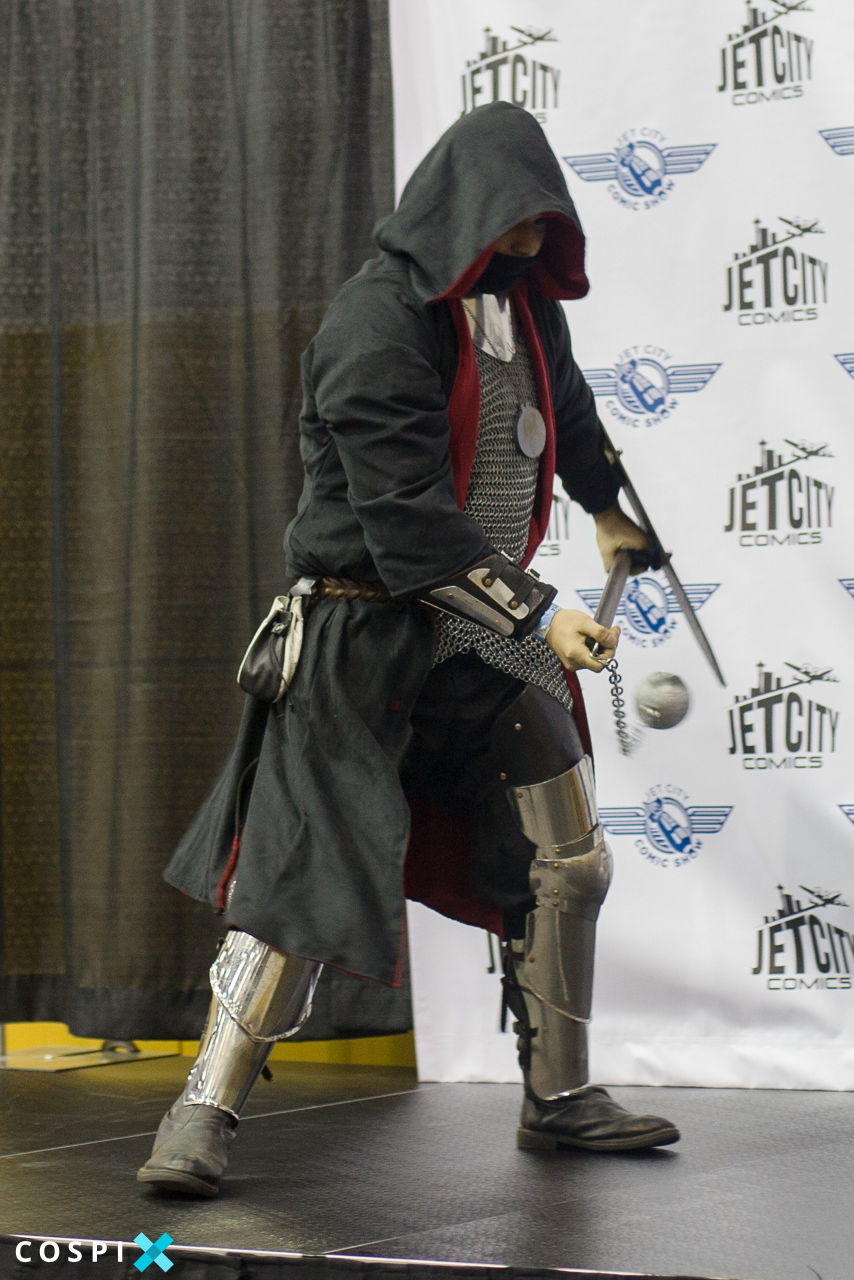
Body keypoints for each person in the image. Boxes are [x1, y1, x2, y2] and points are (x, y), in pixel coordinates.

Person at [138, 102, 679, 1199]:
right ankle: (201, 1109)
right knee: (300, 883)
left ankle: (558, 1093)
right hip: (359, 634)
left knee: (568, 857)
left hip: (479, 638)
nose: (532, 238)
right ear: (463, 207)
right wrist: (540, 613)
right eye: (514, 217)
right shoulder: (375, 321)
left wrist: (608, 508)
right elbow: (406, 524)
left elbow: (570, 419)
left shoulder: (525, 309)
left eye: (544, 220)